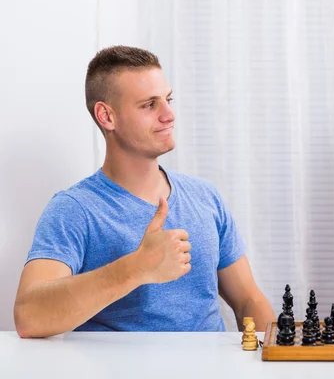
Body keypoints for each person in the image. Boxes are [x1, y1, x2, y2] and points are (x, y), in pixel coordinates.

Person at [14, 45, 275, 338]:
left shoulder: (205, 197)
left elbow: (247, 299)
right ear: (107, 116)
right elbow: (29, 317)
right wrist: (136, 268)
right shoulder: (74, 209)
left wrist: (275, 361)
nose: (169, 115)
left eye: (168, 99)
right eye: (149, 105)